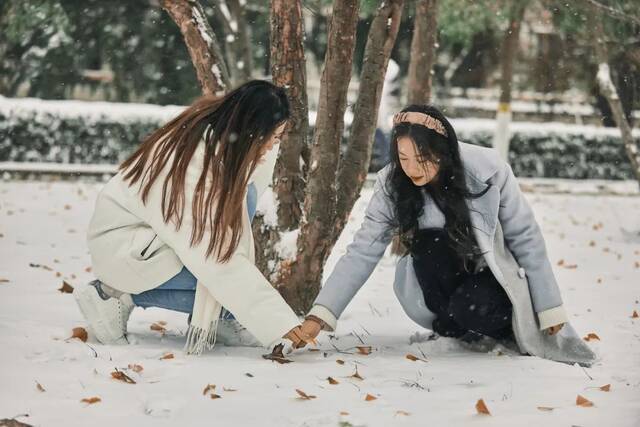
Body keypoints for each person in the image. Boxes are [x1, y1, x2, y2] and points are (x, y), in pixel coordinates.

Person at [300, 105, 596, 366]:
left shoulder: (488, 170)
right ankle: (458, 327)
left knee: (471, 306)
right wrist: (322, 314)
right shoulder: (392, 184)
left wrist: (549, 309)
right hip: (442, 286)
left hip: (490, 279)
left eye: (422, 158)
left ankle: (504, 329)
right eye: (404, 158)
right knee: (431, 246)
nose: (413, 168)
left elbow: (525, 237)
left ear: (442, 151)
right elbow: (363, 250)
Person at [75, 80, 309, 355]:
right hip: (124, 247)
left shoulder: (224, 144)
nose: (272, 147)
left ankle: (222, 317)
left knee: (244, 205)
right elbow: (214, 257)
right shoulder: (192, 164)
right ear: (251, 132)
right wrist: (277, 321)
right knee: (215, 276)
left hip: (152, 241)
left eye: (278, 139)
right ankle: (110, 294)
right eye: (271, 138)